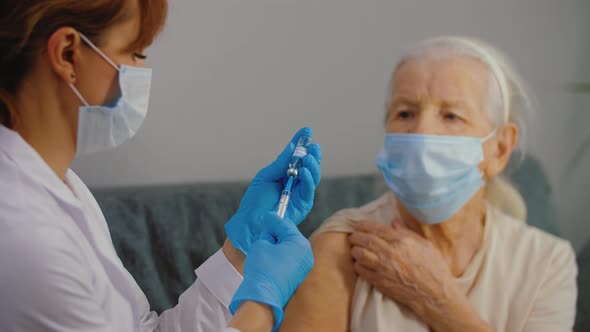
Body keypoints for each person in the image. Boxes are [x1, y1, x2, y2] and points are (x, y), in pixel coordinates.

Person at [0, 1, 322, 331]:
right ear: (68, 53)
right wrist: (261, 305)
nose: (141, 71)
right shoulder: (25, 236)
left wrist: (241, 250)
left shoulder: (64, 187)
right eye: (136, 52)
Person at [279, 36, 578, 332]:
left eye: (451, 116)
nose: (421, 131)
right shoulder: (341, 248)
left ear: (499, 149)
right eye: (405, 113)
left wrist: (439, 304)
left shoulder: (547, 263)